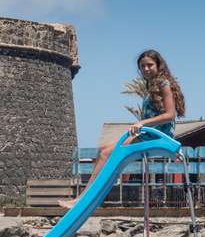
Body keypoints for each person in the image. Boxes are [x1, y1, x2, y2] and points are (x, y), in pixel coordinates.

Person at [59, 49, 185, 209]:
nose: (146, 69)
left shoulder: (164, 84)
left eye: (150, 65)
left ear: (158, 65)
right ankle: (85, 196)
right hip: (149, 134)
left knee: (105, 152)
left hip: (157, 136)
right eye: (142, 66)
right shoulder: (152, 86)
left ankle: (82, 199)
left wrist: (142, 123)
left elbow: (170, 115)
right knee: (104, 149)